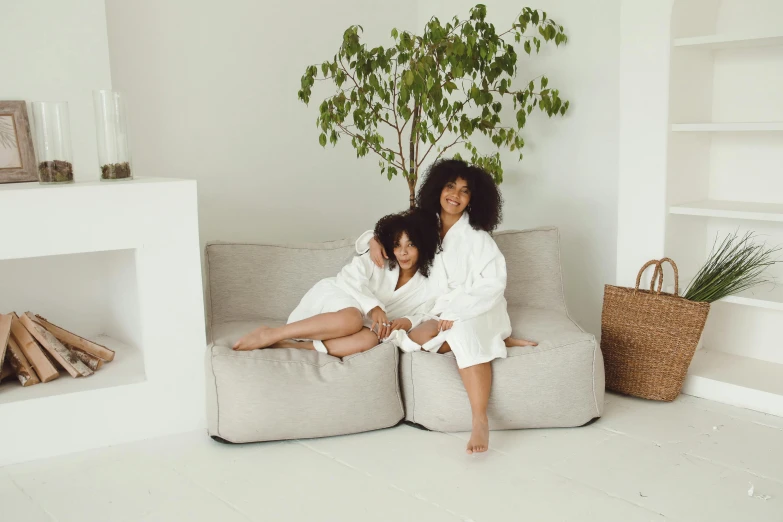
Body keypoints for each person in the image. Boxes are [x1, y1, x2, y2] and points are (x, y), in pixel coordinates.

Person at [356, 158, 537, 455]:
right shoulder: (423, 223)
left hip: (475, 308)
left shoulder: (478, 239)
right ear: (439, 189)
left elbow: (492, 285)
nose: (455, 194)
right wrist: (374, 241)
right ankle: (497, 339)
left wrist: (456, 314)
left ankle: (479, 419)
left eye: (465, 191)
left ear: (472, 200)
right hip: (436, 309)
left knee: (462, 332)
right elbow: (390, 233)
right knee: (414, 338)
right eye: (450, 186)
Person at [232, 209, 441, 357]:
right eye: (397, 245)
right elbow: (347, 278)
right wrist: (374, 307)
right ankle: (272, 333)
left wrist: (407, 321)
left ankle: (290, 346)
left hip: (359, 325)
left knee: (369, 341)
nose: (402, 252)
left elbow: (427, 312)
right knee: (352, 319)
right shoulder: (379, 259)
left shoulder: (426, 285)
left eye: (411, 245)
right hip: (336, 298)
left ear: (422, 246)